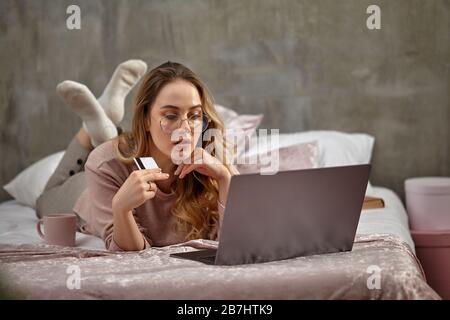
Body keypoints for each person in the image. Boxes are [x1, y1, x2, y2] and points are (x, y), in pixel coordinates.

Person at [36, 60, 238, 252]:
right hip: (86, 192)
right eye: (170, 116)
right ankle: (90, 129)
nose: (185, 129)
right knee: (45, 198)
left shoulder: (215, 158)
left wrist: (224, 178)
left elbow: (237, 238)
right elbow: (127, 249)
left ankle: (104, 127)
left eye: (194, 116)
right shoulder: (106, 164)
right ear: (146, 120)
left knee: (115, 147)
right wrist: (121, 208)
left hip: (128, 152)